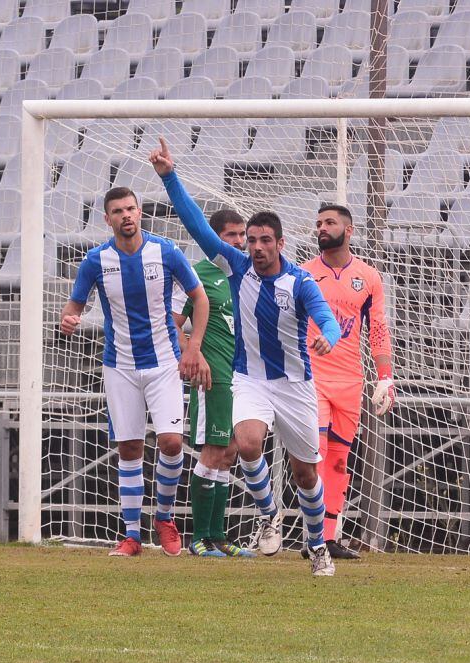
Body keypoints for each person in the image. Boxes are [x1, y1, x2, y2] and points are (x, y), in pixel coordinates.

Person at [149, 138, 344, 577]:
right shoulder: (236, 267)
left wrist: (328, 339)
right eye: (250, 240)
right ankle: (269, 513)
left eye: (263, 241)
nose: (255, 247)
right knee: (249, 441)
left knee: (307, 475)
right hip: (248, 379)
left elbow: (326, 320)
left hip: (295, 385)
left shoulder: (300, 282)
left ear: (281, 242)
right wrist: (169, 177)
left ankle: (318, 548)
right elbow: (197, 225)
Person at [60, 186, 211, 558]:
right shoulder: (96, 261)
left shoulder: (166, 252)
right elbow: (74, 305)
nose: (126, 215)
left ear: (140, 212)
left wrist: (192, 347)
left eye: (131, 208)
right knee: (128, 447)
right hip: (120, 365)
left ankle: (164, 518)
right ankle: (131, 535)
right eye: (118, 211)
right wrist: (69, 318)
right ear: (107, 218)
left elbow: (199, 298)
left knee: (172, 442)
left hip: (163, 363)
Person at [299, 204, 395, 560]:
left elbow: (379, 330)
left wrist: (385, 377)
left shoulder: (368, 277)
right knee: (317, 455)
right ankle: (313, 538)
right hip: (313, 377)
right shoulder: (304, 274)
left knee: (339, 462)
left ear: (349, 230)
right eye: (319, 222)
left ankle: (326, 538)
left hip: (351, 380)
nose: (322, 227)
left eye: (329, 222)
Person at [172, 208, 256, 559]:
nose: (239, 242)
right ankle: (199, 537)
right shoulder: (195, 275)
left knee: (230, 452)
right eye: (231, 236)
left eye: (243, 236)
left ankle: (218, 536)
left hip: (243, 378)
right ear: (214, 240)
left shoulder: (247, 276)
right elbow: (170, 323)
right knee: (211, 451)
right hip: (213, 375)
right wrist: (194, 352)